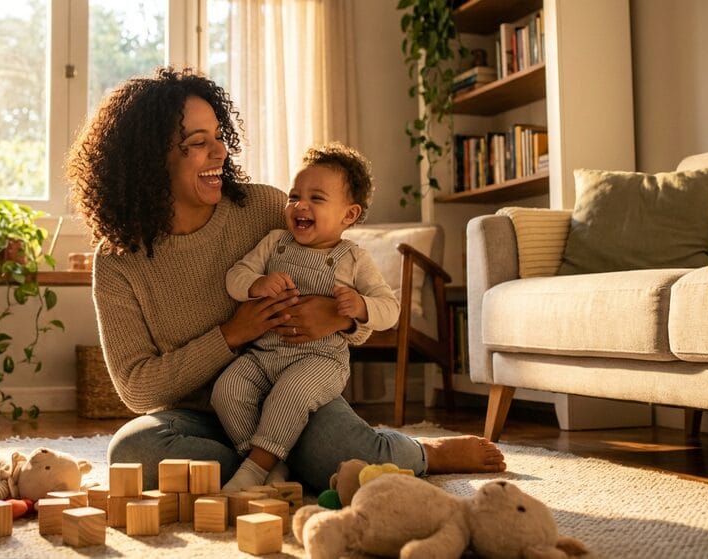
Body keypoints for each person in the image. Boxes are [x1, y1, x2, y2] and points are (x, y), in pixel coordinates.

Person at [66, 67, 506, 493]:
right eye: (199, 143)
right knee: (133, 451)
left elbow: (351, 298)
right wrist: (232, 334)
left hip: (288, 392)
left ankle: (421, 453)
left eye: (219, 136)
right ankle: (275, 464)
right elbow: (138, 387)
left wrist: (340, 318)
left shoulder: (264, 209)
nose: (220, 152)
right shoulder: (119, 261)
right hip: (197, 418)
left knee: (338, 449)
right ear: (149, 161)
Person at [214, 142, 400, 491]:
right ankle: (267, 463)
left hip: (320, 360)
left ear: (349, 215)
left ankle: (252, 472)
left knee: (291, 392)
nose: (300, 205)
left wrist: (360, 306)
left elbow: (390, 309)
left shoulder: (353, 259)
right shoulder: (275, 242)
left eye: (316, 198)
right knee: (227, 389)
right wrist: (256, 283)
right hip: (264, 354)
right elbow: (235, 276)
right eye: (294, 196)